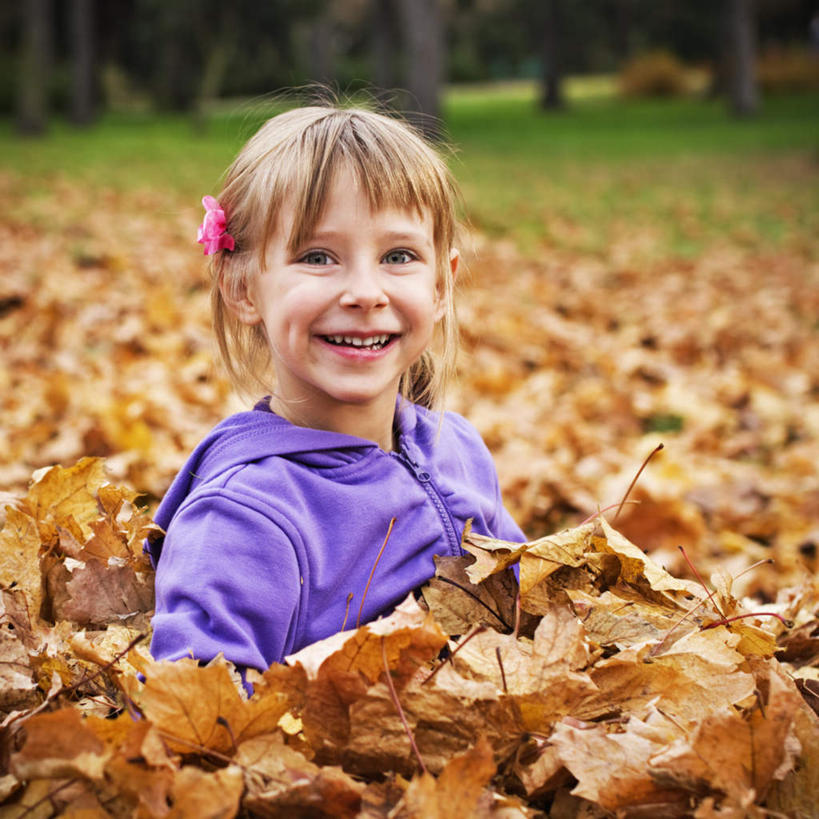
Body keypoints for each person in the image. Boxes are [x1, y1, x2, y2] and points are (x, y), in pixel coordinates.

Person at [148, 103, 525, 674]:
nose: (365, 292)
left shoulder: (458, 448)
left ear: (442, 283)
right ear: (242, 287)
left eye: (398, 256)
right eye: (317, 257)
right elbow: (199, 711)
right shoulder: (244, 517)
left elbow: (531, 601)